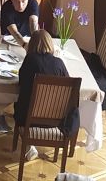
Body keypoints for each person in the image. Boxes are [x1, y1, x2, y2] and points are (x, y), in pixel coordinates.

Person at [14, 30, 77, 160]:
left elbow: (21, 83)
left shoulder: (30, 60)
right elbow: (69, 89)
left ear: (32, 44)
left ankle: (29, 145)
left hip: (28, 119)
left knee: (20, 102)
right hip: (56, 121)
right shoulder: (59, 63)